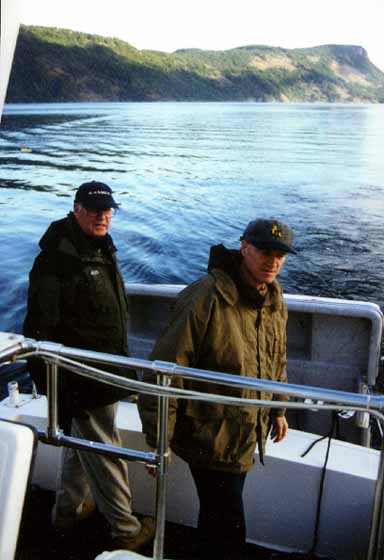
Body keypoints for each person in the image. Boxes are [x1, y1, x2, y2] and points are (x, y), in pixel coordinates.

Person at [139, 218, 295, 559]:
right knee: (229, 522)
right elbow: (165, 369)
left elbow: (276, 356)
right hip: (209, 432)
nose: (273, 262)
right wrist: (158, 439)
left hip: (245, 430)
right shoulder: (206, 296)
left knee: (218, 518)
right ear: (244, 248)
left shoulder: (273, 296)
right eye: (264, 252)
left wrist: (278, 409)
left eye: (280, 255)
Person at [23, 181, 154, 552]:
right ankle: (126, 531)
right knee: (105, 451)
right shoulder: (57, 260)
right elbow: (39, 328)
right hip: (81, 377)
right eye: (94, 209)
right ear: (76, 208)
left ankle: (67, 511)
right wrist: (56, 385)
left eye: (107, 209)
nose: (103, 216)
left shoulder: (97, 248)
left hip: (103, 371)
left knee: (81, 446)